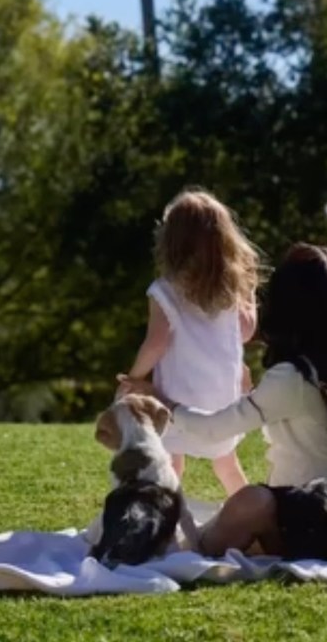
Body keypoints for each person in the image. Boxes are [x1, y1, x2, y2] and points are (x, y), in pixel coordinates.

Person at [117, 242, 327, 555]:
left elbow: (213, 429)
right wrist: (253, 395)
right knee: (244, 503)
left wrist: (162, 400)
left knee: (247, 502)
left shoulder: (293, 377)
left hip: (306, 520)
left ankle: (193, 545)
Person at [120, 188, 260, 496]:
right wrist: (249, 294)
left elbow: (156, 342)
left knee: (171, 464)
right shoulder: (229, 290)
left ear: (171, 242)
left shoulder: (164, 290)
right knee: (227, 464)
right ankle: (257, 520)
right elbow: (246, 331)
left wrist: (135, 377)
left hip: (176, 397)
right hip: (222, 398)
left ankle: (164, 520)